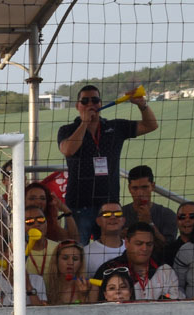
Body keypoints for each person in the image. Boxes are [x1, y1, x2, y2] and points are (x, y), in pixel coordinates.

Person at [57, 84, 158, 243]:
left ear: (101, 104)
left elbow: (150, 125)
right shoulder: (67, 129)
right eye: (85, 101)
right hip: (78, 205)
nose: (91, 104)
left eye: (95, 100)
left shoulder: (115, 127)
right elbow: (68, 150)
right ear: (77, 106)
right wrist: (84, 123)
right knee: (77, 251)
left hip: (109, 206)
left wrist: (142, 105)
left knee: (109, 250)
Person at [90, 222, 180, 302]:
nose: (144, 248)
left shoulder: (165, 270)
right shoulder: (109, 269)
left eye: (149, 244)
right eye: (139, 244)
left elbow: (176, 304)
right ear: (126, 243)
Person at [122, 165, 177, 259]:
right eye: (135, 188)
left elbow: (168, 248)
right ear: (129, 188)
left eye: (144, 187)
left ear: (153, 186)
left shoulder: (167, 214)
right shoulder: (120, 215)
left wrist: (149, 223)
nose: (140, 193)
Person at [83, 202, 126, 276]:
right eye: (106, 214)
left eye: (118, 214)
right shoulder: (85, 253)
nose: (113, 217)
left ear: (123, 220)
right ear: (98, 221)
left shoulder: (133, 248)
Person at [42, 239, 88, 305]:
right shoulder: (46, 287)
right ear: (56, 260)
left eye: (75, 259)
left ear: (81, 263)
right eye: (65, 258)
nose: (70, 263)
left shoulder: (91, 287)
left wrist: (83, 296)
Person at [162, 201, 194, 267]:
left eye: (192, 216)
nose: (187, 220)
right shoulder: (168, 251)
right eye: (182, 217)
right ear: (176, 220)